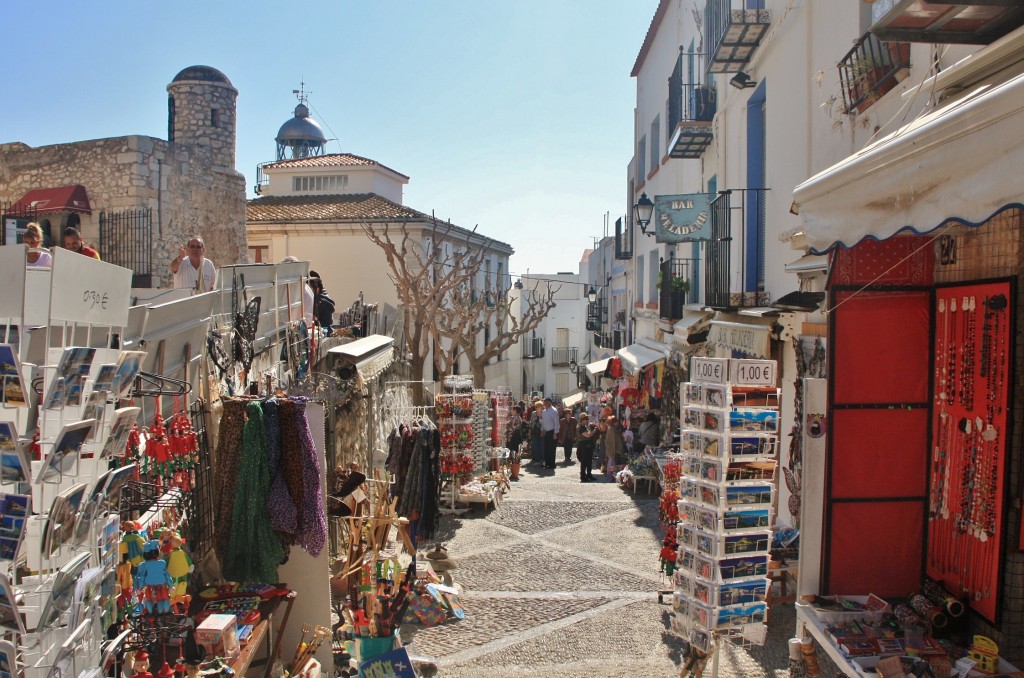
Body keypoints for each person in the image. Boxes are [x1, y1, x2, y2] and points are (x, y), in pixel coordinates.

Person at [576, 413, 598, 482]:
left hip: (588, 446)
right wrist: (594, 430)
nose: (587, 420)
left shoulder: (585, 426)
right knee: (584, 462)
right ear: (582, 420)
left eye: (587, 419)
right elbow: (588, 435)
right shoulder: (580, 427)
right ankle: (583, 476)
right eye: (586, 419)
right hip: (583, 446)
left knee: (589, 461)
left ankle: (589, 474)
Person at [603, 416, 626, 482]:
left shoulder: (611, 429)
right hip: (613, 450)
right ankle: (610, 477)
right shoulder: (613, 430)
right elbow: (613, 442)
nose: (617, 423)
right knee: (611, 464)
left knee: (611, 463)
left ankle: (610, 477)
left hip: (612, 450)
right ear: (614, 422)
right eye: (616, 421)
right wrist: (613, 452)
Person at [540, 397, 560, 469]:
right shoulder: (544, 411)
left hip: (552, 432)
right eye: (544, 402)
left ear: (549, 403)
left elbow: (556, 423)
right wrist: (542, 430)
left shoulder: (554, 411)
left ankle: (552, 464)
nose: (544, 404)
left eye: (545, 402)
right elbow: (543, 422)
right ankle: (547, 463)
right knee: (546, 448)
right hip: (546, 432)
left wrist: (555, 433)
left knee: (552, 449)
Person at [528, 400, 544, 467]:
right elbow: (531, 423)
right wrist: (529, 432)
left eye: (539, 407)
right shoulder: (533, 413)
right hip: (534, 432)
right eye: (537, 407)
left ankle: (542, 460)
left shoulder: (544, 413)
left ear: (542, 407)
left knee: (542, 446)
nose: (538, 408)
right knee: (535, 446)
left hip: (542, 432)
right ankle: (537, 460)